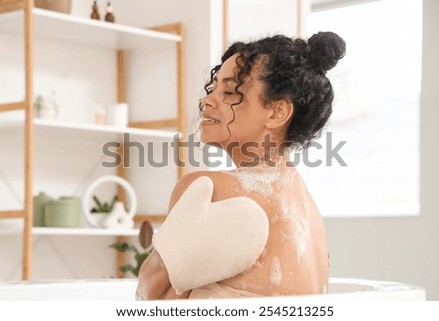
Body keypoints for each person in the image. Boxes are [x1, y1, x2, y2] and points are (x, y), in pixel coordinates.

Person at [136, 32, 346, 300]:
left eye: (230, 91)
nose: (206, 101)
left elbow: (149, 303)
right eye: (214, 89)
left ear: (276, 112)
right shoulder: (310, 215)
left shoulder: (208, 189)